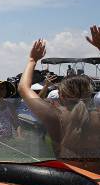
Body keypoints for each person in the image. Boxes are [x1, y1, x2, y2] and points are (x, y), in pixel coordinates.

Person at [18, 39, 100, 173]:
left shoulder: (54, 115)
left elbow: (23, 88)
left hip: (67, 180)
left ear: (61, 95)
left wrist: (32, 60)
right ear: (90, 94)